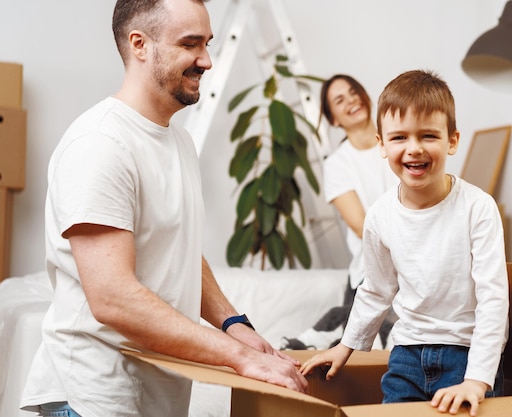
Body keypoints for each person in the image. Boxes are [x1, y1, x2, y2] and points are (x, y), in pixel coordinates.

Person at [20, 1, 307, 416]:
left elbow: (177, 247)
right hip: (90, 398)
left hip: (153, 396)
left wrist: (233, 324)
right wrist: (238, 356)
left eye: (207, 43)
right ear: (139, 44)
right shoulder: (100, 144)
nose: (206, 60)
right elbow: (113, 297)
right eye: (190, 44)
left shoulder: (179, 142)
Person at [300, 69, 509, 417]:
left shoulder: (478, 207)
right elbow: (376, 289)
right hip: (406, 354)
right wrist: (346, 346)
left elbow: (494, 299)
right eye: (399, 138)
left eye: (428, 135)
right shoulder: (380, 215)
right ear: (382, 144)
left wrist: (477, 380)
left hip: (466, 354)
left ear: (452, 141)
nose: (414, 149)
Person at [281, 74, 398, 350]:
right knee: (362, 343)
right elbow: (361, 226)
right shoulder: (338, 164)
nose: (351, 101)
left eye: (354, 92)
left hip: (415, 265)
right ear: (333, 119)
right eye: (339, 100)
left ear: (366, 98)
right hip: (370, 273)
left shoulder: (398, 145)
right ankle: (311, 341)